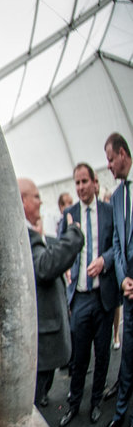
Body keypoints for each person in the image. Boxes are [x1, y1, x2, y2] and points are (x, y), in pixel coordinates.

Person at [59, 163, 118, 426]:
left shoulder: (108, 211)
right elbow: (62, 250)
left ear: (95, 182)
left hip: (103, 297)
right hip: (80, 298)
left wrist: (104, 261)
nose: (81, 187)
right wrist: (67, 270)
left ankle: (96, 403)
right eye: (77, 183)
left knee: (103, 354)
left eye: (85, 181)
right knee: (79, 357)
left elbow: (117, 245)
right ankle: (73, 405)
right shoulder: (70, 215)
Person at [19, 178, 84, 408]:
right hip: (42, 339)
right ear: (23, 201)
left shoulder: (27, 233)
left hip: (44, 334)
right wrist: (74, 236)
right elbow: (45, 267)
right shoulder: (24, 235)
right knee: (35, 402)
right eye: (36, 196)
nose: (40, 201)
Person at [105, 132, 133, 427]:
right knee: (127, 356)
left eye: (111, 160)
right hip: (129, 292)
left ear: (123, 154)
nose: (110, 167)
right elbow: (117, 242)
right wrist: (124, 277)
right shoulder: (117, 197)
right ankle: (122, 413)